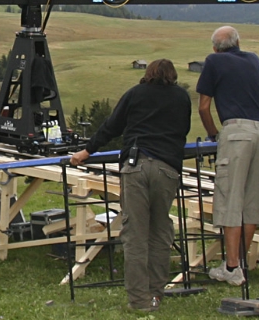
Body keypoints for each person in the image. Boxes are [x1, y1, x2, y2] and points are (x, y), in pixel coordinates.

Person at [70, 59, 191, 313]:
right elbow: (184, 129)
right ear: (172, 75)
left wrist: (87, 151)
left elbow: (112, 126)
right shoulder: (182, 97)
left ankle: (139, 300)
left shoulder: (136, 93)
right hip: (168, 168)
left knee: (135, 234)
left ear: (149, 73)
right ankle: (156, 294)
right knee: (160, 232)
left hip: (136, 166)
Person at [196, 25, 259, 287]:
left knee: (231, 198)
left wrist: (213, 134)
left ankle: (231, 267)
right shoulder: (254, 59)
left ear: (215, 47)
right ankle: (239, 263)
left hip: (237, 132)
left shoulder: (213, 61)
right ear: (238, 42)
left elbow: (204, 107)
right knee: (253, 200)